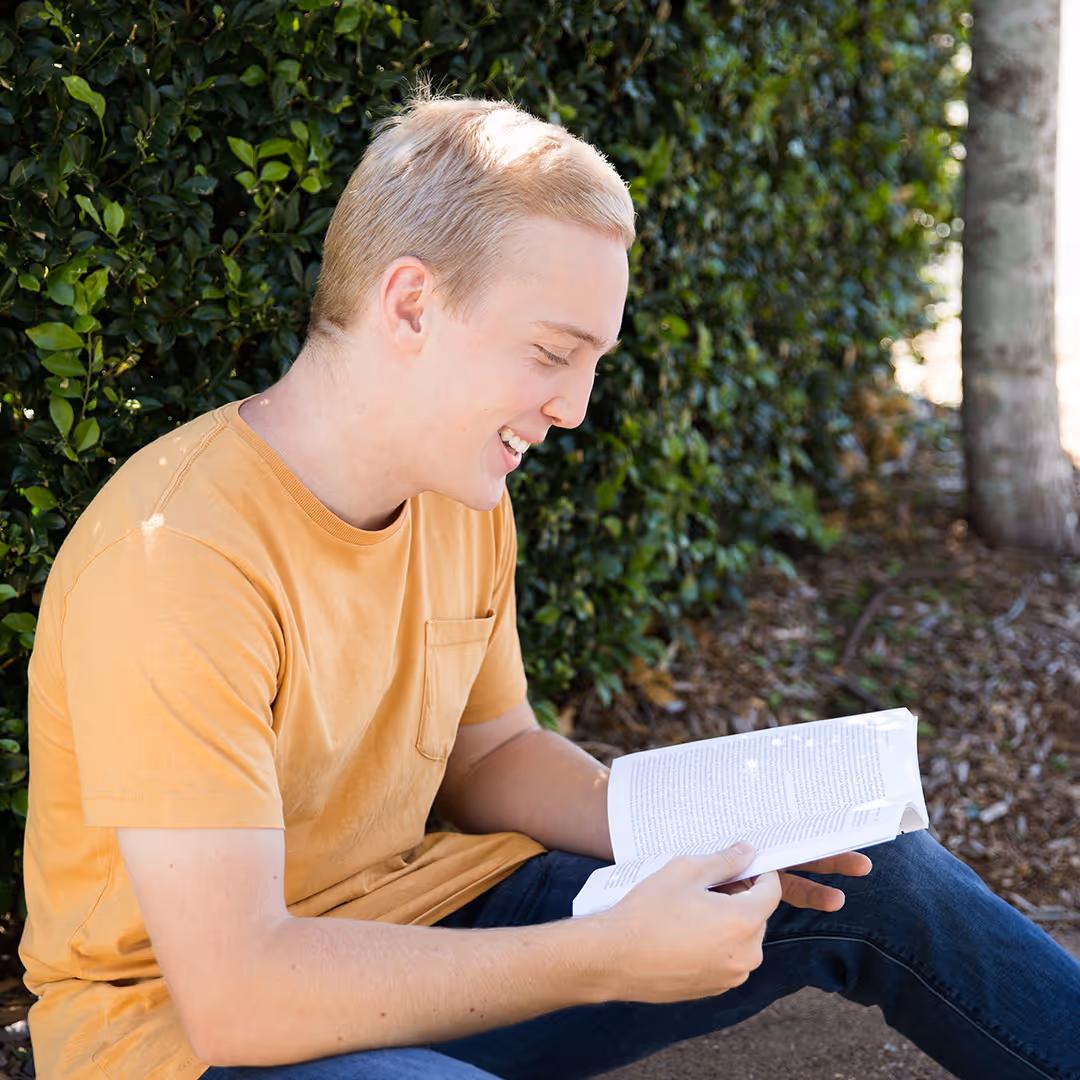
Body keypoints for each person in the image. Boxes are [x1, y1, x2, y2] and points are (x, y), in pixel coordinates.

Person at [19, 92, 1080, 1080]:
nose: (571, 406)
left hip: (431, 918)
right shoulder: (178, 561)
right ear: (410, 304)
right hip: (184, 1032)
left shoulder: (459, 490)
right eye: (549, 352)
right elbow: (237, 993)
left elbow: (490, 754)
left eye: (592, 362)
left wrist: (714, 828)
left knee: (871, 870)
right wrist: (606, 955)